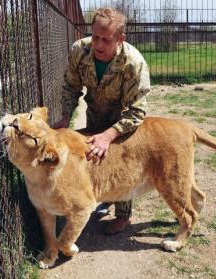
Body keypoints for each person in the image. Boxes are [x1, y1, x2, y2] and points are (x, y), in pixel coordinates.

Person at [54, 7, 150, 234]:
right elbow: (71, 86)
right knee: (95, 157)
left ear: (120, 39)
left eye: (106, 40)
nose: (98, 44)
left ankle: (123, 216)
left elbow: (137, 111)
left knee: (121, 164)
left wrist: (109, 135)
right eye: (95, 37)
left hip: (122, 120)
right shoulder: (80, 50)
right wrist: (66, 117)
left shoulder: (133, 63)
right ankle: (105, 196)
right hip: (95, 112)